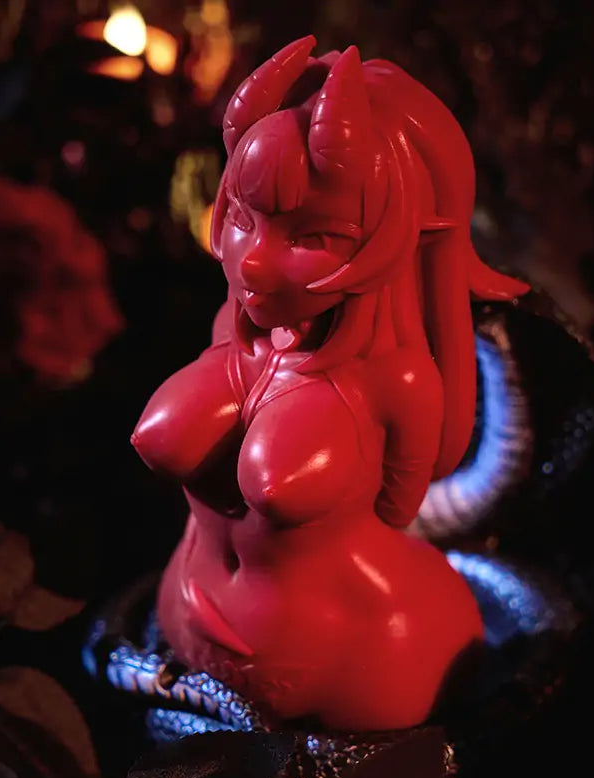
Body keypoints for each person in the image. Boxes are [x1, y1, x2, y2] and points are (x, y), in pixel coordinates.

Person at [132, 36, 526, 730]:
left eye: (311, 237)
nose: (253, 262)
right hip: (189, 629)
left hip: (365, 662)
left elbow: (398, 509)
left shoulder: (396, 381)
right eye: (244, 219)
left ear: (394, 236)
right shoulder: (236, 334)